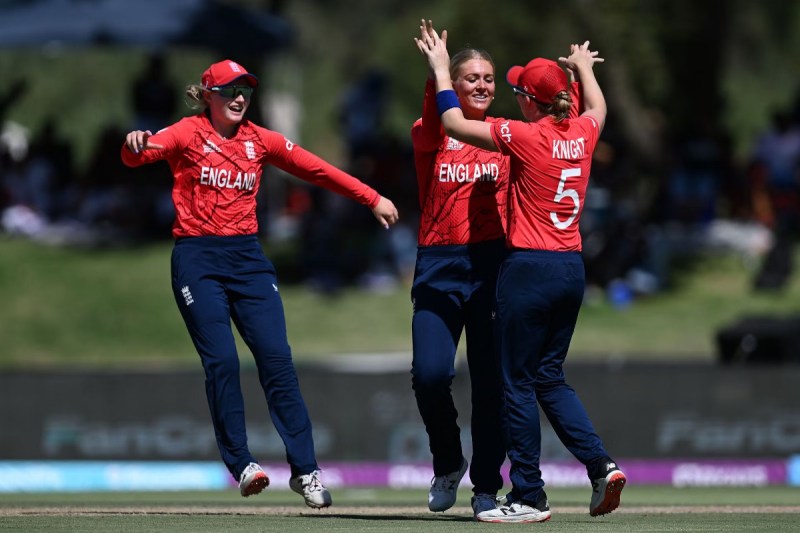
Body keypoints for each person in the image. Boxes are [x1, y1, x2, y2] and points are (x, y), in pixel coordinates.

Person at [120, 59, 399, 508]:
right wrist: (133, 144)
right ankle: (243, 464)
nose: (239, 98)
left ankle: (306, 472)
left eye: (246, 91)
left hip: (248, 260)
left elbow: (316, 169)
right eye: (230, 90)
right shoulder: (187, 133)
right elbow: (139, 154)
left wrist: (372, 197)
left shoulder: (260, 140)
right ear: (207, 95)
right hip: (198, 259)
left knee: (277, 361)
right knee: (223, 361)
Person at [415, 21, 626, 523]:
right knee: (547, 378)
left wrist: (441, 69)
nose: (498, 91)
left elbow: (454, 123)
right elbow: (597, 109)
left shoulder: (523, 136)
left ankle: (526, 494)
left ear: (531, 102)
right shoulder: (582, 132)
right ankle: (601, 466)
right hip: (571, 269)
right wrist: (583, 70)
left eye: (513, 89)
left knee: (513, 385)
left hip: (526, 268)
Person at [409, 40, 509, 519]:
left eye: (488, 79)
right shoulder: (429, 132)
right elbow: (436, 119)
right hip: (438, 263)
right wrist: (438, 71)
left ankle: (486, 488)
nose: (482, 86)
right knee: (430, 375)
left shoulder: (505, 135)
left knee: (490, 384)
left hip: (492, 266)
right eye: (472, 78)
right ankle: (448, 462)